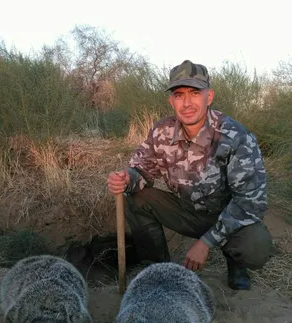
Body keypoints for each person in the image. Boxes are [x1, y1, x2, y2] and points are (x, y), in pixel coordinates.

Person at [107, 59, 274, 291]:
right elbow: (142, 169)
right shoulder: (161, 131)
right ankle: (158, 269)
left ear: (209, 96)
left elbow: (250, 203)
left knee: (257, 248)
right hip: (187, 211)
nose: (186, 103)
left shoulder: (236, 136)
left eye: (195, 93)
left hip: (225, 216)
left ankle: (235, 262)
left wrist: (206, 243)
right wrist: (127, 177)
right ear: (171, 101)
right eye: (179, 95)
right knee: (135, 198)